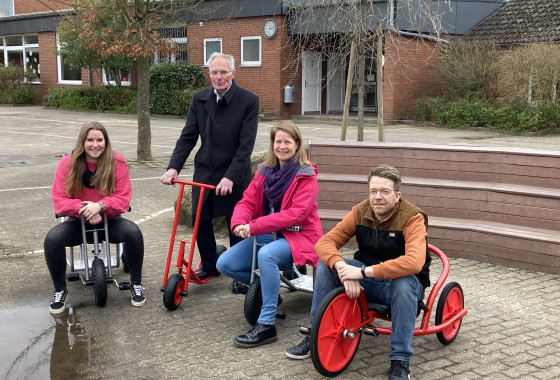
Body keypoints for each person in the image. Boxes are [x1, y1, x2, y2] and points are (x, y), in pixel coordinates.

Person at [286, 165, 431, 380]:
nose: (377, 197)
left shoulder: (413, 218)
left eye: (385, 192)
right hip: (367, 280)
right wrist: (343, 269)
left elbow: (413, 263)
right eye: (373, 191)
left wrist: (361, 273)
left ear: (397, 195)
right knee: (326, 262)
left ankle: (400, 360)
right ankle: (314, 336)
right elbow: (325, 243)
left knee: (403, 281)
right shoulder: (360, 211)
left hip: (401, 285)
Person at [217, 120, 322, 348]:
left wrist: (254, 226)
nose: (282, 146)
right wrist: (238, 223)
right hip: (268, 233)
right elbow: (246, 201)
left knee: (267, 256)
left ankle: (267, 325)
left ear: (297, 144)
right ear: (272, 144)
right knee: (225, 264)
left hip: (298, 237)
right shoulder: (265, 172)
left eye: (287, 142)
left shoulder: (306, 176)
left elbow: (295, 215)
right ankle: (271, 293)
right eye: (278, 141)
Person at [161, 52, 259, 282]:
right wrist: (173, 167)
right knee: (199, 219)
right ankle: (209, 263)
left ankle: (239, 273)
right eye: (214, 72)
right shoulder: (200, 98)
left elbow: (246, 146)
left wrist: (231, 177)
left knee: (236, 224)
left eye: (223, 72)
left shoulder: (248, 100)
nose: (218, 77)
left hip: (234, 172)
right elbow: (188, 137)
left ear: (233, 73)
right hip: (205, 171)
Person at [44, 121, 145, 315]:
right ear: (82, 141)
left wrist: (100, 206)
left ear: (106, 142)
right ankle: (59, 290)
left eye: (100, 140)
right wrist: (85, 208)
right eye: (90, 140)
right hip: (78, 221)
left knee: (133, 232)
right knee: (52, 239)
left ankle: (136, 284)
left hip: (109, 219)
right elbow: (59, 199)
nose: (95, 144)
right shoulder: (67, 163)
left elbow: (123, 198)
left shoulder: (118, 162)